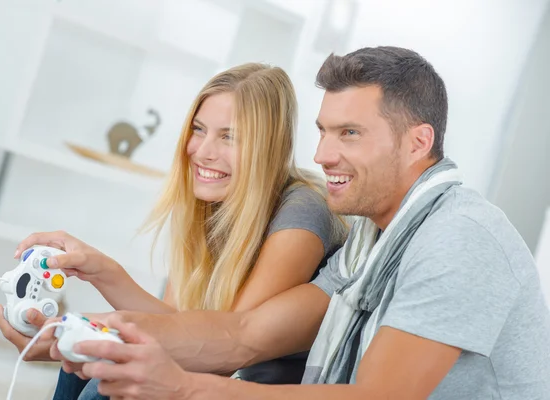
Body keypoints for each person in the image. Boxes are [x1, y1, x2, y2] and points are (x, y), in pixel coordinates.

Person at [36, 46, 550, 399]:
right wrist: (97, 336)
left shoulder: (460, 240)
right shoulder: (369, 242)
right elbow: (245, 335)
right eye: (324, 131)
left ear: (418, 142)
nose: (323, 154)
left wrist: (185, 387)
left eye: (349, 133)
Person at [0, 63, 348, 397]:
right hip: (213, 375)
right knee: (87, 363)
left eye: (230, 137)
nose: (202, 151)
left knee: (107, 368)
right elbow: (179, 328)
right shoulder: (214, 204)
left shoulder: (303, 211)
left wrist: (78, 333)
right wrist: (100, 271)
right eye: (198, 129)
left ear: (267, 149)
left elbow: (226, 348)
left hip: (244, 389)